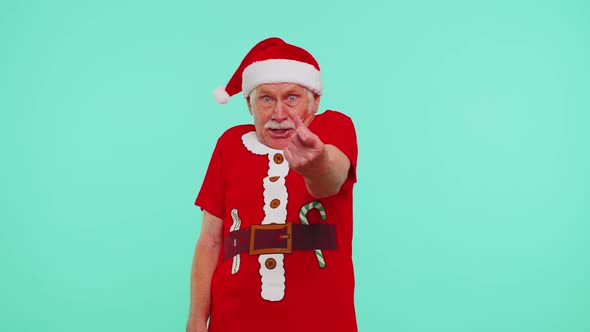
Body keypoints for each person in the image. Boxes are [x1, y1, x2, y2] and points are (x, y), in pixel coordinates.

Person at [186, 37, 358, 332]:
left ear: (315, 100)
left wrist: (317, 165)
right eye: (266, 99)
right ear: (248, 104)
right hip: (234, 317)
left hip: (321, 318)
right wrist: (197, 319)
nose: (279, 114)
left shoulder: (334, 128)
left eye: (292, 97)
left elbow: (331, 179)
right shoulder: (230, 144)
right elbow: (210, 240)